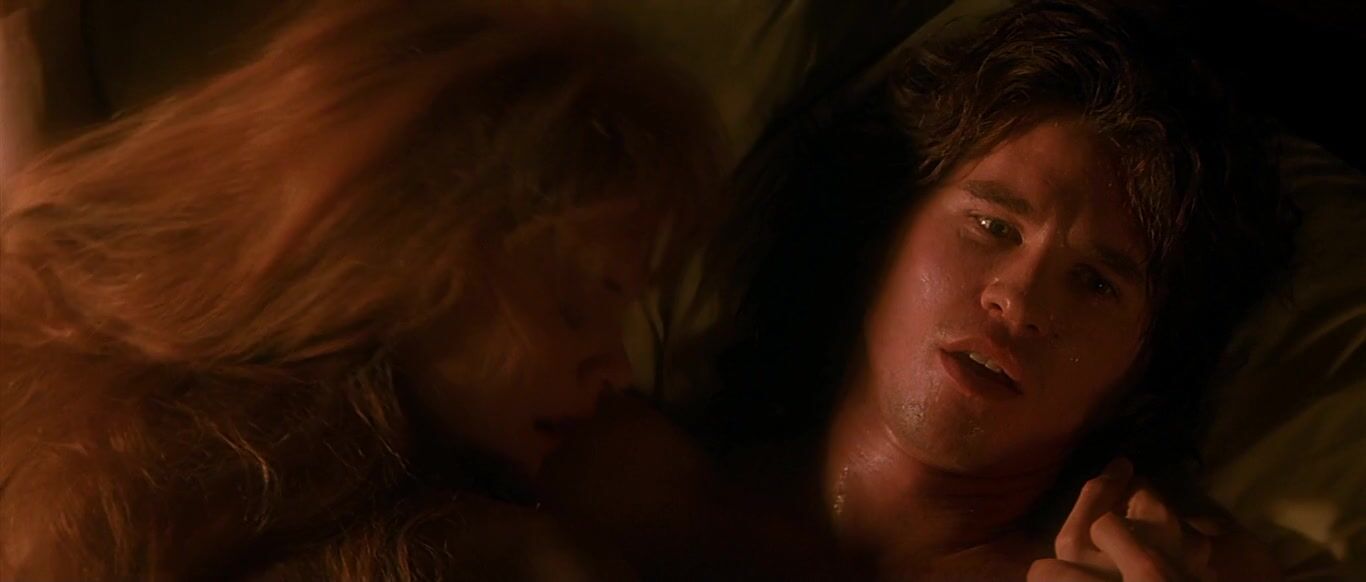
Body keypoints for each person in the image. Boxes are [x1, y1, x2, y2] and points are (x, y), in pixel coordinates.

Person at [0, 1, 721, 579]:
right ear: (402, 257)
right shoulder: (168, 471)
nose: (617, 370)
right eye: (576, 308)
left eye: (620, 315)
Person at [707, 0, 1301, 579]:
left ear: (1142, 372)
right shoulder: (662, 491)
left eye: (1095, 283)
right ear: (883, 230)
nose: (1020, 302)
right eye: (993, 227)